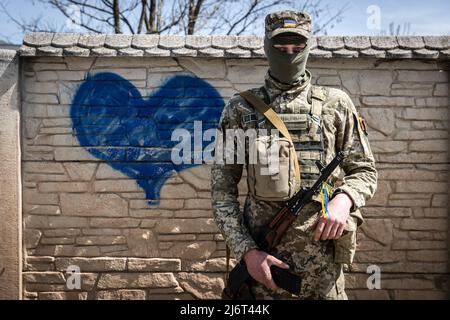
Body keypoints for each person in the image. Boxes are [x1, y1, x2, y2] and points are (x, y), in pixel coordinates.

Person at [211, 10, 377, 300]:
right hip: (263, 269)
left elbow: (364, 170)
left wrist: (344, 199)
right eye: (280, 47)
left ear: (309, 47)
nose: (289, 53)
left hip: (323, 274)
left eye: (297, 47)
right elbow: (222, 190)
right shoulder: (240, 109)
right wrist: (247, 251)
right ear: (266, 46)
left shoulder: (336, 105)